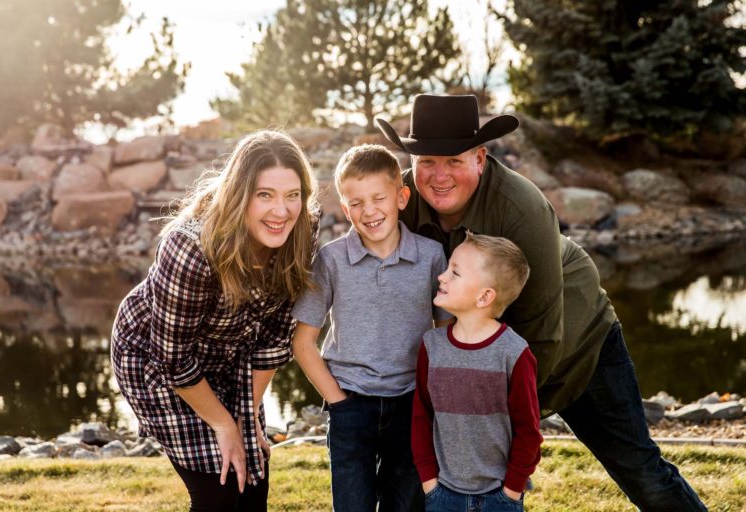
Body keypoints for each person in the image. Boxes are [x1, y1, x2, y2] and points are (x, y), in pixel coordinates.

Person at [377, 94, 707, 511]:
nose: (439, 175)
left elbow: (543, 331)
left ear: (480, 157)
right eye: (427, 162)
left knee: (639, 468)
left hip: (578, 345)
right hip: (473, 360)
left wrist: (499, 418)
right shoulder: (402, 201)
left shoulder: (521, 207)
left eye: (454, 161)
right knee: (418, 473)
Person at [111, 130, 320, 512]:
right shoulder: (190, 247)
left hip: (233, 355)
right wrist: (224, 426)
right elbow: (173, 357)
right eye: (265, 195)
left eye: (293, 195)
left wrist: (245, 416)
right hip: (155, 359)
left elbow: (274, 338)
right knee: (219, 493)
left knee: (252, 483)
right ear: (240, 195)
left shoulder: (303, 230)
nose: (281, 211)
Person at [291, 144, 452, 512]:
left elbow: (446, 336)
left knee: (406, 505)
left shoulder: (430, 256)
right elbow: (303, 343)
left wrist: (430, 397)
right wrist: (338, 403)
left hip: (411, 405)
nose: (369, 211)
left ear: (401, 197)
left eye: (378, 198)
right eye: (356, 203)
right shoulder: (330, 260)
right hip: (351, 403)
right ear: (345, 209)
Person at [412, 233, 542, 512]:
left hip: (500, 497)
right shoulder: (431, 346)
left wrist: (512, 489)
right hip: (442, 493)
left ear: (484, 296)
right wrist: (429, 482)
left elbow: (528, 431)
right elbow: (422, 416)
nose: (442, 277)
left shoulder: (514, 353)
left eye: (455, 272)